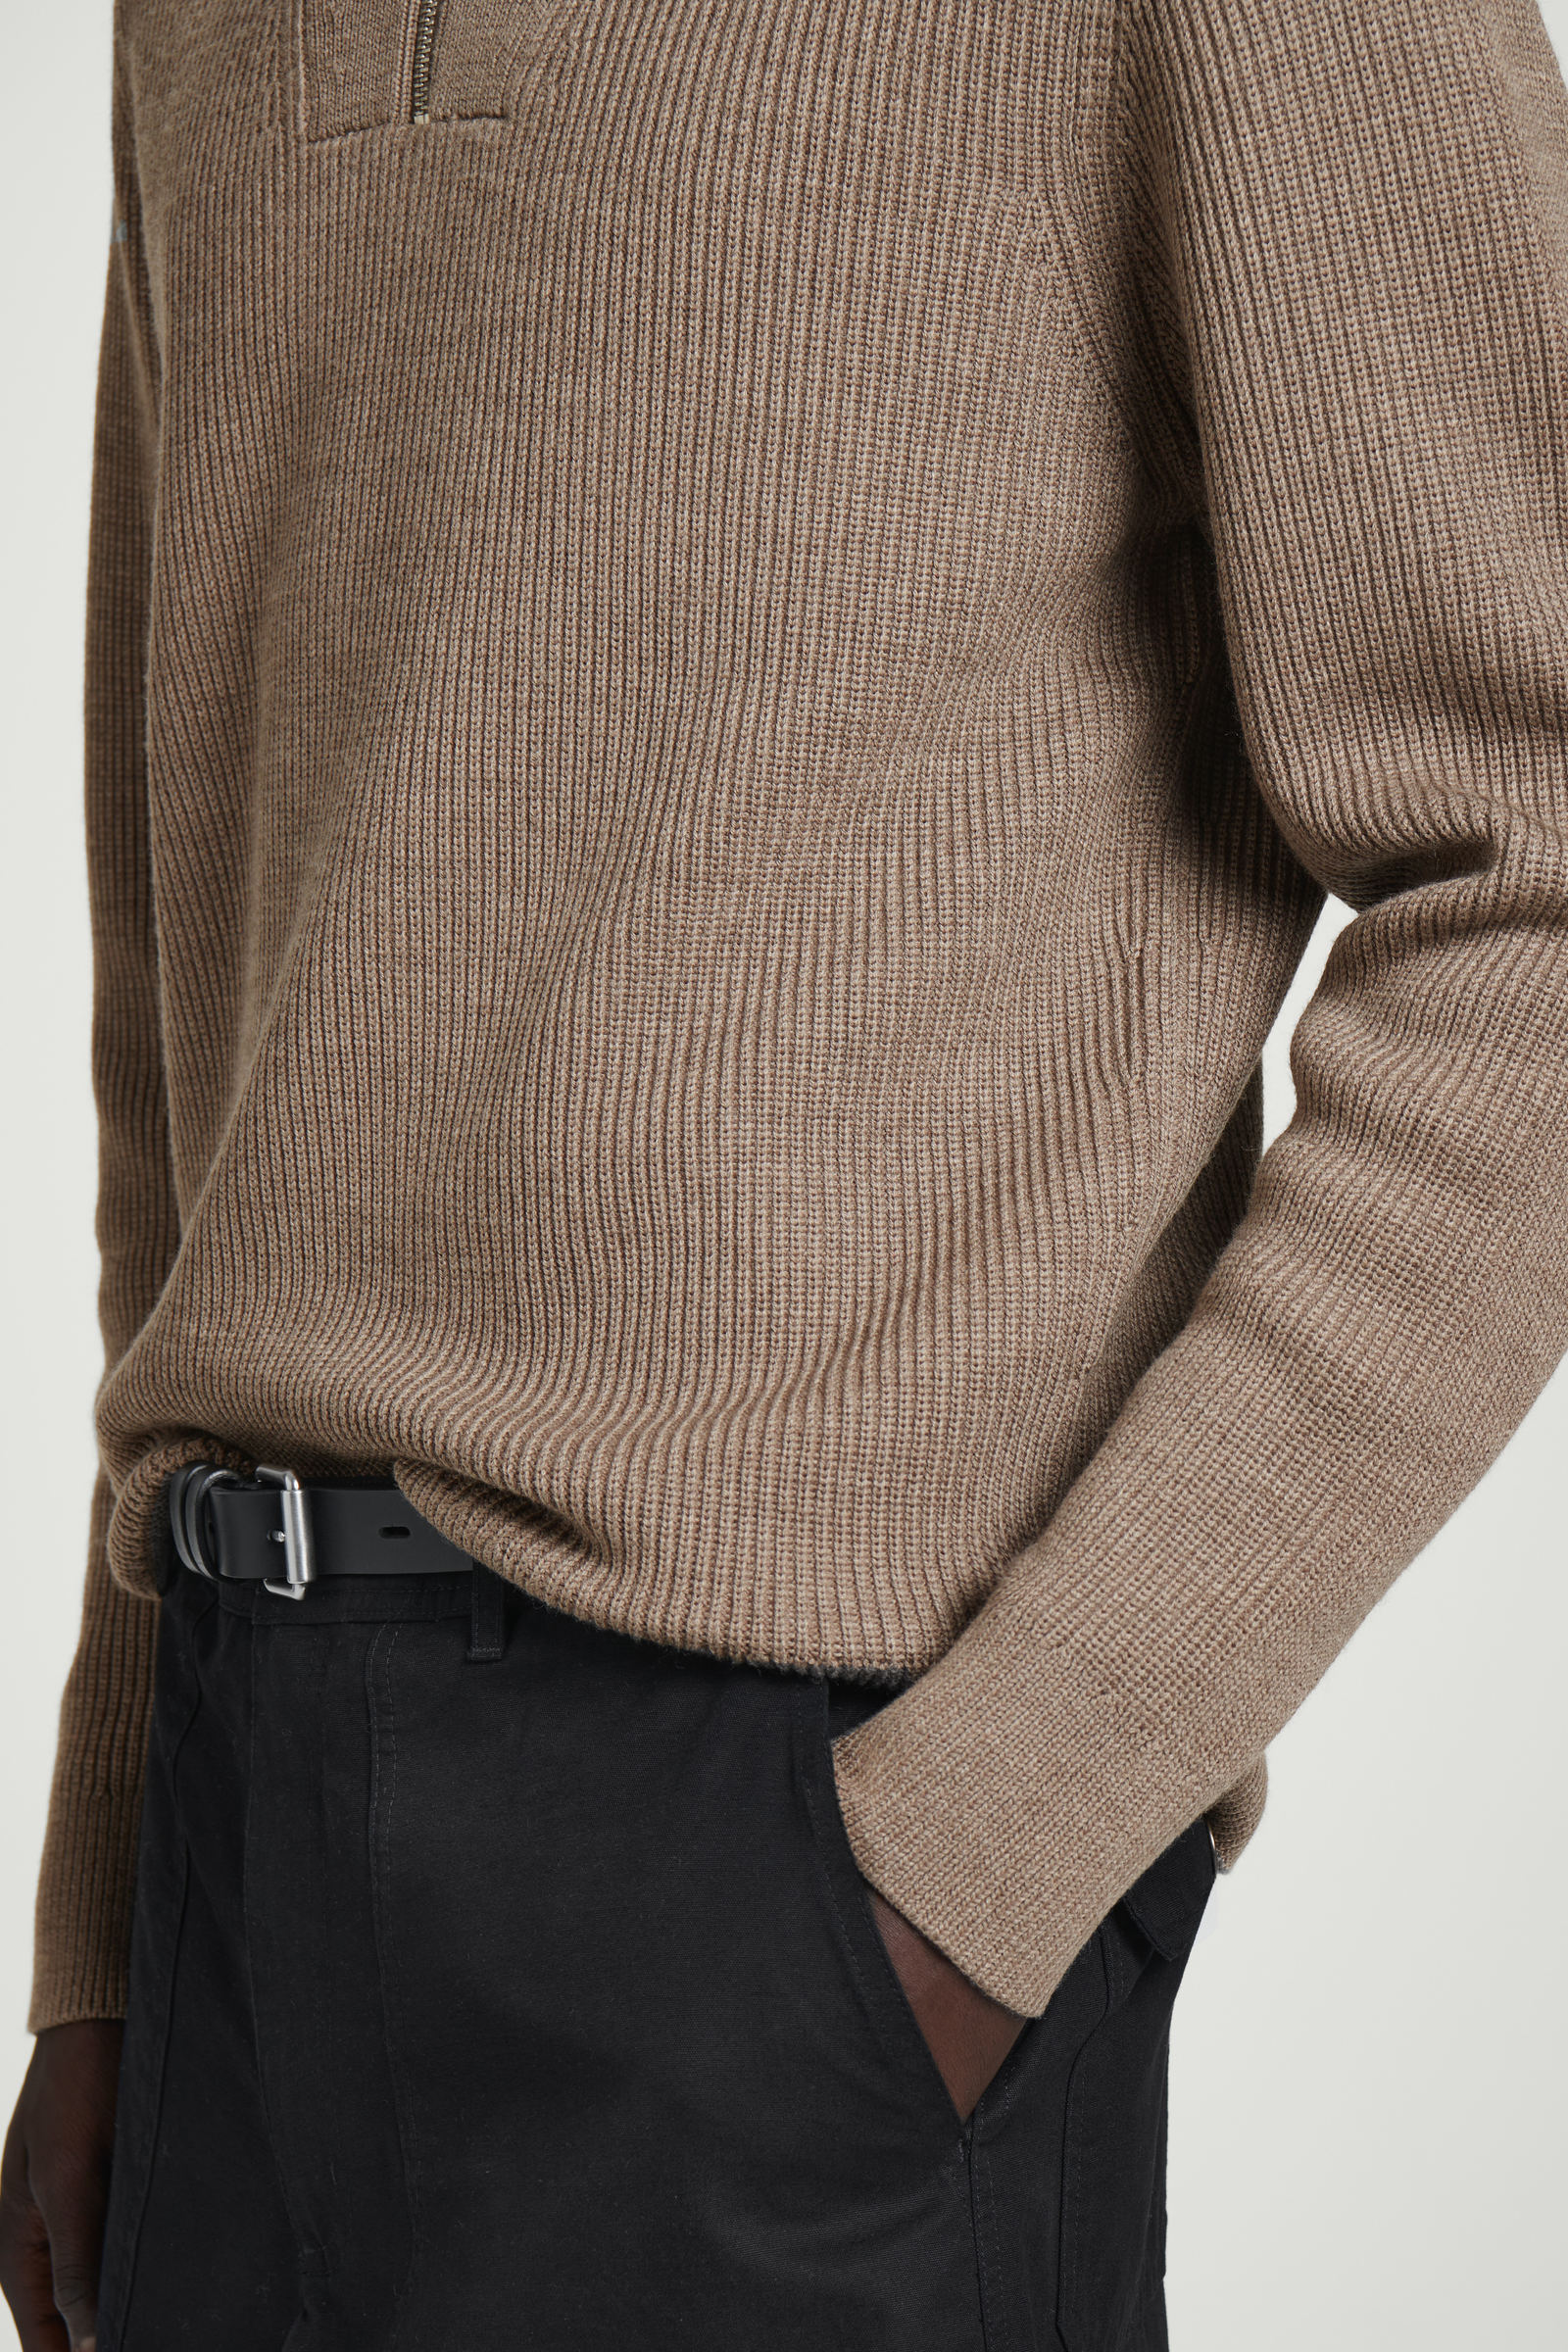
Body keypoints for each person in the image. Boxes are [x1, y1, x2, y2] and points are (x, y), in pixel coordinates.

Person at [6, 0, 1568, 2341]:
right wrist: (111, 1885)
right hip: (242, 1817)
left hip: (798, 1875)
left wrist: (989, 1845)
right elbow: (196, 975)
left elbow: (1534, 875)